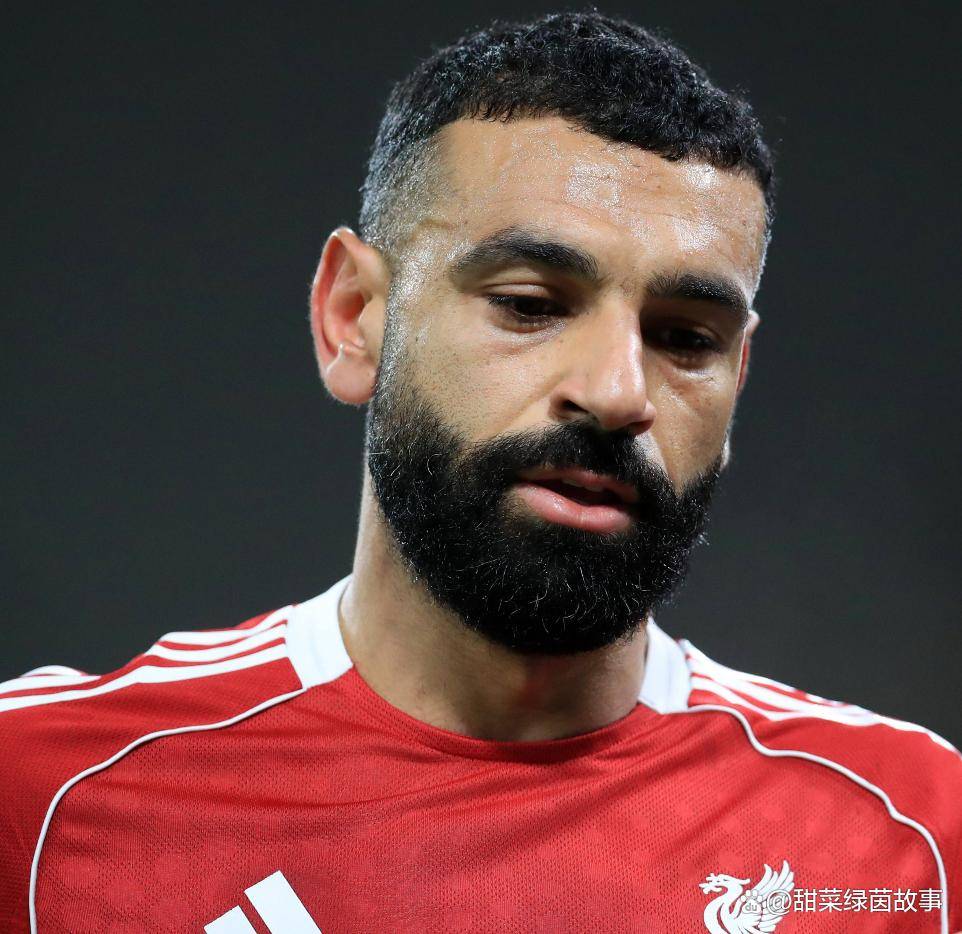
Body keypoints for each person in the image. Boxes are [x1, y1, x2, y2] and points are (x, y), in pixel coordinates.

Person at [1, 11, 959, 934]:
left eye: (684, 338)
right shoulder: (39, 801)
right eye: (531, 304)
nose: (619, 393)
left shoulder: (912, 841)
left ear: (738, 376)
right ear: (352, 317)